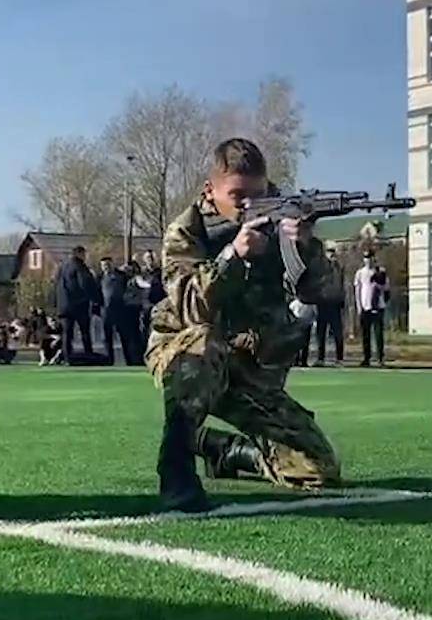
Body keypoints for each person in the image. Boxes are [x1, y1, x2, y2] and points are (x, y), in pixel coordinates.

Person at [147, 137, 341, 513]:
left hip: (248, 368)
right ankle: (176, 467)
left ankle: (227, 451)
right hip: (189, 357)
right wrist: (232, 255)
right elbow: (190, 306)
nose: (249, 206)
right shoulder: (188, 231)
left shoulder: (283, 225)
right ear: (210, 191)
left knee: (318, 469)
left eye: (260, 194)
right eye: (238, 196)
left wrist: (304, 247)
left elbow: (328, 291)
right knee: (202, 343)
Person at [54, 245, 97, 362]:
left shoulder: (62, 267)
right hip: (78, 304)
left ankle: (67, 356)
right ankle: (89, 355)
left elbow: (56, 285)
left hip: (63, 305)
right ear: (80, 254)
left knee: (67, 333)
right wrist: (95, 298)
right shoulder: (79, 266)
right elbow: (85, 284)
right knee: (85, 331)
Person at [311, 246, 347, 367]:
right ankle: (320, 358)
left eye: (333, 252)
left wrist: (342, 299)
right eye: (329, 253)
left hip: (335, 302)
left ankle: (339, 358)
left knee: (337, 332)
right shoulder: (320, 268)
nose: (331, 255)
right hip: (323, 302)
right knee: (321, 332)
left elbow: (342, 284)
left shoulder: (339, 268)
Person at [354, 249, 388, 367]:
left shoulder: (380, 271)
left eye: (370, 258)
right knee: (366, 334)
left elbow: (386, 288)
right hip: (365, 306)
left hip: (378, 306)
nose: (368, 260)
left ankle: (380, 358)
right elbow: (357, 290)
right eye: (366, 258)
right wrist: (359, 306)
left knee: (378, 334)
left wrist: (378, 284)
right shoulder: (360, 273)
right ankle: (366, 358)